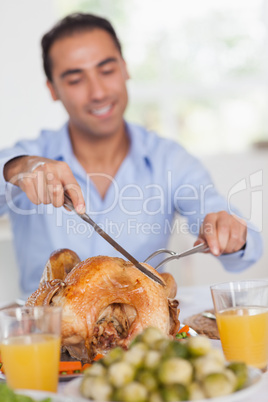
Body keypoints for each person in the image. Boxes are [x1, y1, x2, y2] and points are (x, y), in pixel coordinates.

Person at [0, 13, 262, 298]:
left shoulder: (169, 159)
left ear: (125, 69)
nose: (98, 92)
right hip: (44, 337)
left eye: (107, 70)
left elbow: (248, 248)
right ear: (53, 90)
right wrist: (16, 168)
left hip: (140, 336)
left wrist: (229, 231)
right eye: (76, 79)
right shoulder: (32, 155)